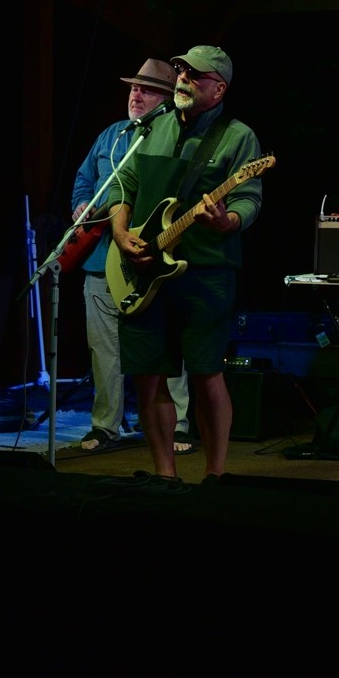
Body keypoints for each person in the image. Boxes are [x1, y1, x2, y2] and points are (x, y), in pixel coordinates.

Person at [107, 46, 263, 483]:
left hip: (205, 273)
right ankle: (165, 476)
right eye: (180, 70)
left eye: (195, 75)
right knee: (147, 374)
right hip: (143, 268)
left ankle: (215, 476)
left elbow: (248, 200)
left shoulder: (238, 137)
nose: (182, 78)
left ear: (219, 88)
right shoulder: (152, 126)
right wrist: (119, 232)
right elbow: (124, 184)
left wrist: (227, 221)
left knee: (206, 374)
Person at [70, 58, 196, 454]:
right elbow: (83, 179)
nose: (136, 95)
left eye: (147, 90)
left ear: (167, 99)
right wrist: (81, 203)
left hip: (151, 258)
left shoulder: (176, 135)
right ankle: (105, 426)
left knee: (165, 345)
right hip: (101, 259)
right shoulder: (111, 135)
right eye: (133, 88)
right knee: (103, 349)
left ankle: (178, 425)